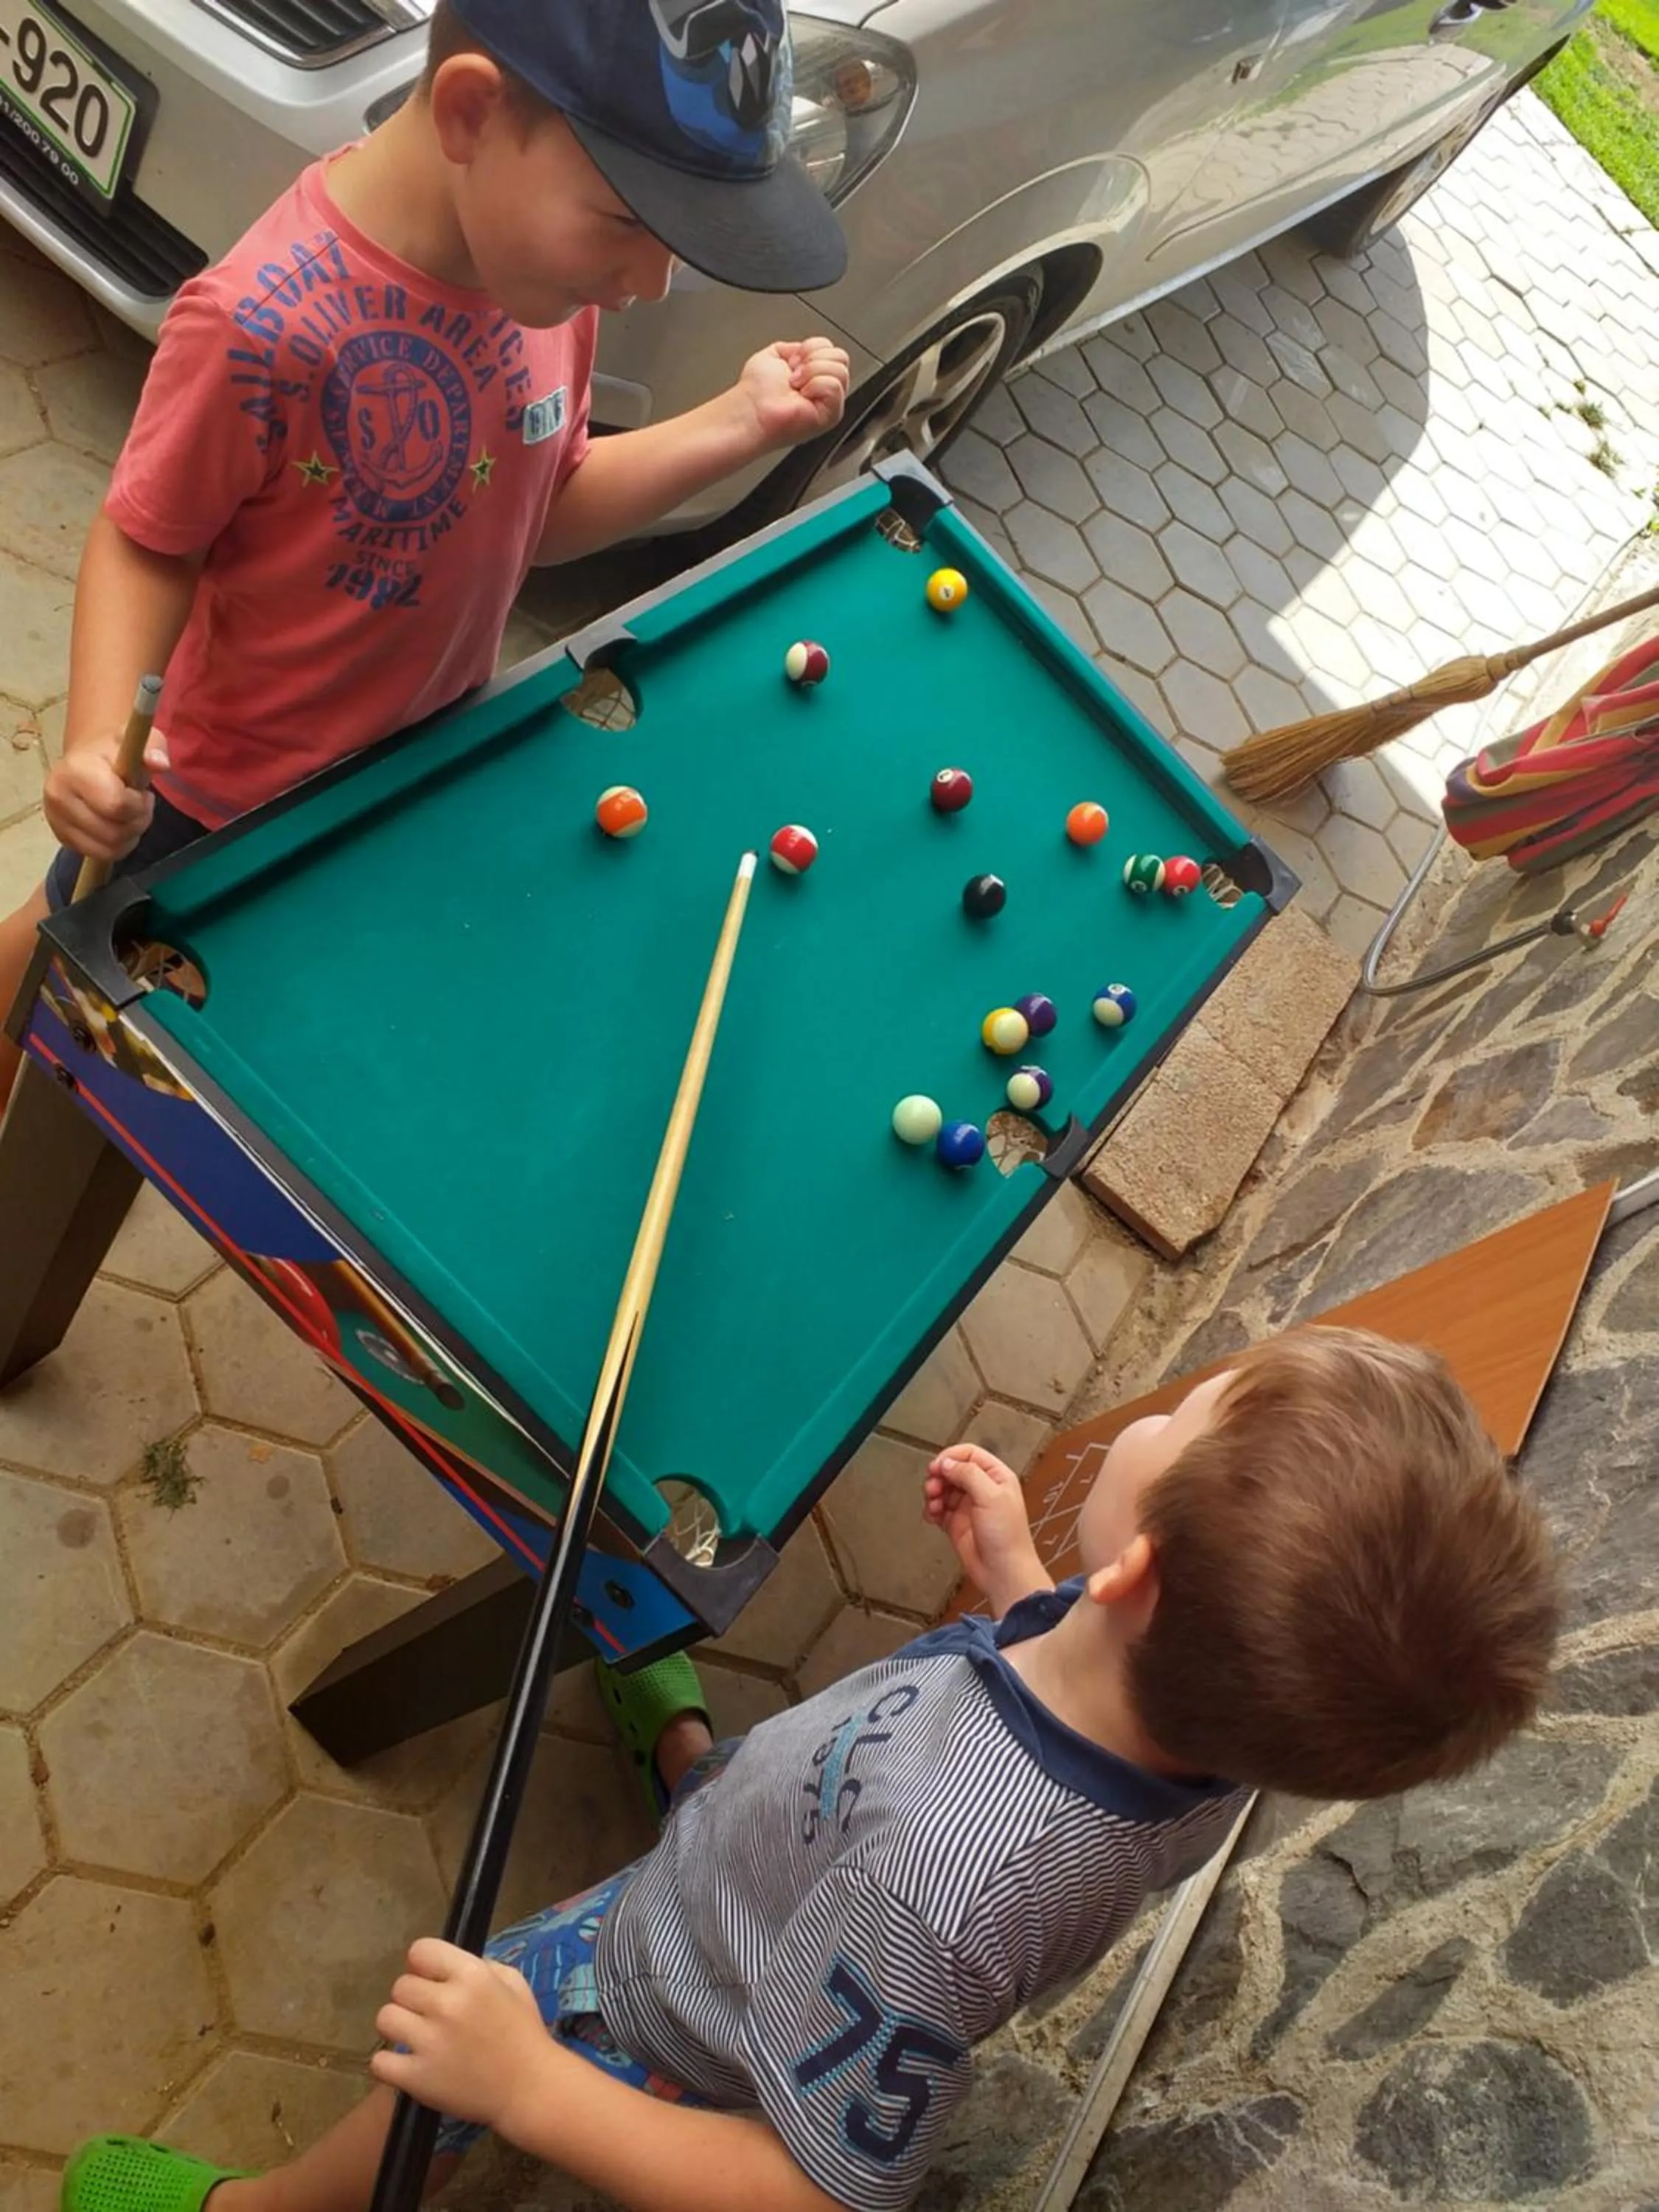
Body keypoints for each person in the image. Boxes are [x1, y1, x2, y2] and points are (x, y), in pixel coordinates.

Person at [63, 1326, 1559, 2212]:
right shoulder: (1203, 1725)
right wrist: (1017, 1577)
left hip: (662, 1993)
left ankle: (253, 2207)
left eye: (1179, 1419)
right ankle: (691, 1768)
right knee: (747, 1800)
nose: (1159, 1411)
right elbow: (1100, 1689)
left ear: (1137, 1576)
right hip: (798, 1842)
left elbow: (806, 2188)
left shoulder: (935, 1888)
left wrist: (525, 2085)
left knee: (447, 2059)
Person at [0, 0, 851, 1108]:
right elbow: (147, 541)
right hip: (211, 806)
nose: (648, 279)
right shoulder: (260, 324)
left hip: (401, 778)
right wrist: (92, 741)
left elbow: (539, 512)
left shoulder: (547, 287)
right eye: (627, 220)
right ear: (471, 113)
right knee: (57, 975)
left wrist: (734, 424)